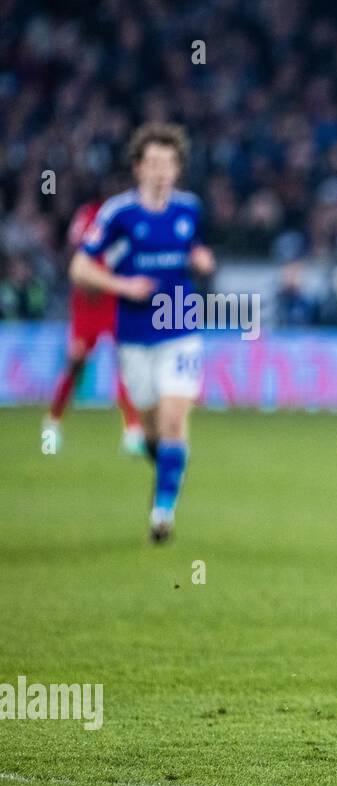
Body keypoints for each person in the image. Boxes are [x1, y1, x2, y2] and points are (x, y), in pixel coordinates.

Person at [70, 123, 215, 541]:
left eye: (169, 163)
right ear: (138, 168)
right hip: (134, 336)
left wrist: (203, 260)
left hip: (179, 326)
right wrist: (121, 286)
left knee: (174, 416)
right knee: (151, 429)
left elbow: (196, 250)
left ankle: (162, 514)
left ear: (178, 169)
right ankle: (169, 468)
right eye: (153, 162)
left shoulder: (189, 209)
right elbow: (79, 268)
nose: (161, 171)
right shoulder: (119, 214)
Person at [43, 199, 144, 456]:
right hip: (88, 299)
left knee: (125, 361)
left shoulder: (132, 218)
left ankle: (132, 430)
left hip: (113, 297)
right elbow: (77, 249)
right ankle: (52, 422)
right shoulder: (89, 214)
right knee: (76, 361)